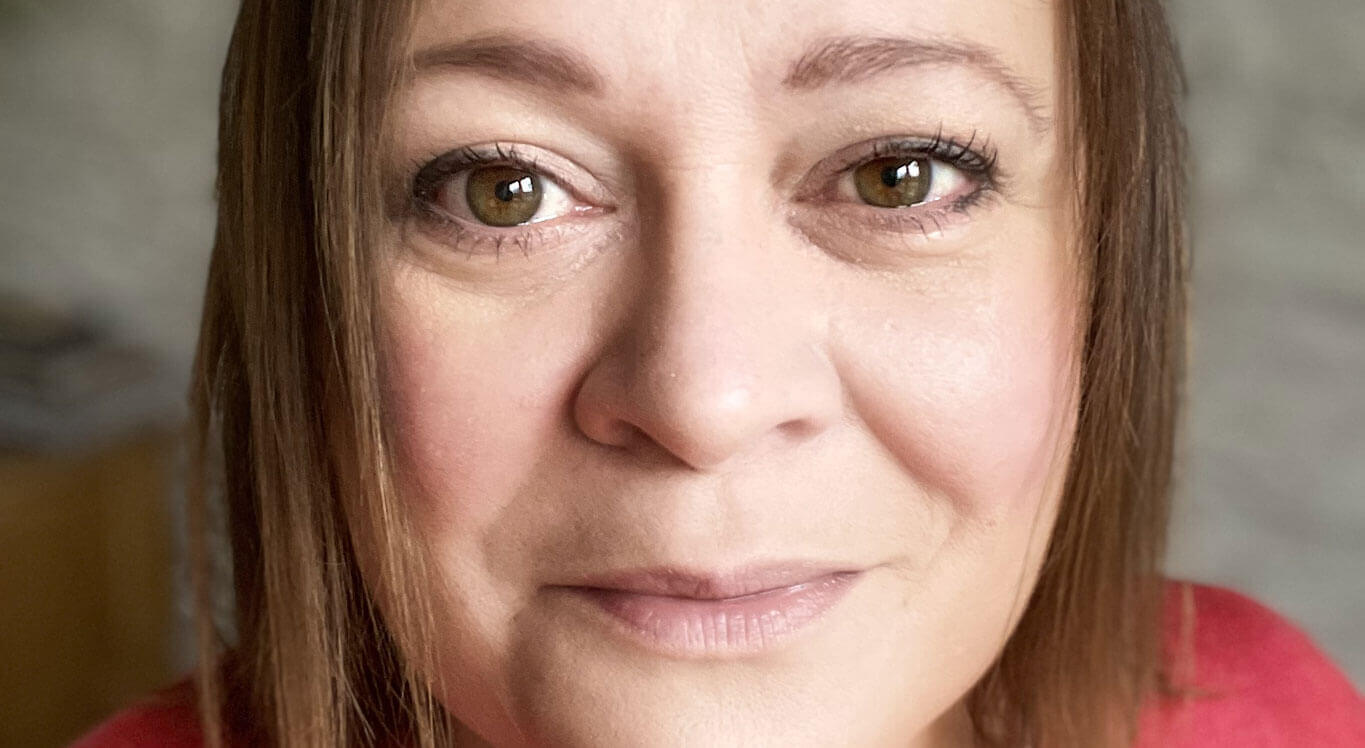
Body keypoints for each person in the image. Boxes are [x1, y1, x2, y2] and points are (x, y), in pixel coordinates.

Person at [76, 0, 1363, 746]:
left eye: (898, 174)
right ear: (309, 289)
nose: (705, 400)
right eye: (502, 188)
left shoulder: (1257, 711)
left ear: (1102, 262)